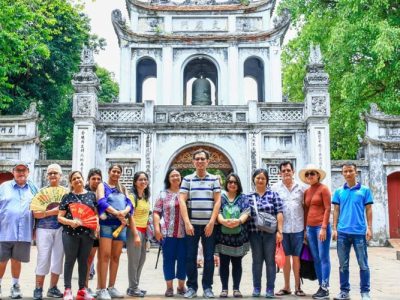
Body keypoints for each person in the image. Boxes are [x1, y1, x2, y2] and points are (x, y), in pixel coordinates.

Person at [179, 149, 221, 299]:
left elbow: (217, 202)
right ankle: (191, 287)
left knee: (209, 257)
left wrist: (211, 222)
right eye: (197, 159)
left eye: (203, 159)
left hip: (209, 226)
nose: (200, 161)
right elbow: (182, 201)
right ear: (193, 162)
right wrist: (187, 223)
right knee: (190, 257)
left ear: (207, 161)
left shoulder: (214, 180)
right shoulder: (187, 179)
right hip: (192, 225)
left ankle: (208, 287)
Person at [96, 165, 140, 300]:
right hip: (106, 225)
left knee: (116, 257)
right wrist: (117, 213)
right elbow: (101, 202)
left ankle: (111, 286)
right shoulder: (102, 186)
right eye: (113, 171)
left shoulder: (123, 188)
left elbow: (130, 204)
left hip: (120, 226)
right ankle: (101, 289)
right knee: (105, 256)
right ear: (109, 172)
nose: (116, 174)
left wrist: (124, 212)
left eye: (118, 172)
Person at [332, 163, 373, 300]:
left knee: (363, 264)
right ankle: (344, 291)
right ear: (342, 173)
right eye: (345, 171)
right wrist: (334, 229)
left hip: (359, 233)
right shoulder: (338, 192)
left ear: (356, 172)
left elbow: (368, 210)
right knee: (343, 265)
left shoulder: (365, 190)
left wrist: (369, 228)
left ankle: (365, 292)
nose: (348, 174)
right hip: (342, 232)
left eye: (350, 171)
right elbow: (336, 210)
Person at [57, 171, 98, 300]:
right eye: (74, 179)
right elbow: (59, 217)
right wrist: (70, 222)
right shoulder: (67, 197)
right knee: (70, 260)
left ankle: (82, 290)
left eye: (79, 178)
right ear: (71, 182)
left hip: (87, 234)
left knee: (84, 261)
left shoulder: (91, 195)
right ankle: (67, 290)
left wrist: (97, 227)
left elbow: (95, 214)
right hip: (70, 233)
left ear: (83, 179)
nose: (77, 180)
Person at [0, 162, 38, 299]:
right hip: (4, 230)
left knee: (17, 260)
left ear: (28, 172)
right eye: (18, 170)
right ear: (13, 172)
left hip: (24, 232)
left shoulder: (33, 189)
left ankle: (15, 286)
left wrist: (36, 229)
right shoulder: (4, 187)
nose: (21, 173)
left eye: (24, 170)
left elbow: (39, 208)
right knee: (1, 260)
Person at [32, 164, 67, 300]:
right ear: (47, 176)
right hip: (43, 229)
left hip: (61, 228)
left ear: (60, 176)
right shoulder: (41, 192)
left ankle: (53, 288)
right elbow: (36, 213)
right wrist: (52, 211)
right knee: (43, 258)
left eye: (55, 173)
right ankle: (38, 288)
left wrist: (47, 212)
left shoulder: (66, 192)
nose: (53, 175)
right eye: (50, 173)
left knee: (58, 258)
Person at [247, 168, 283, 298]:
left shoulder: (273, 195)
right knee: (256, 261)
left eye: (263, 178)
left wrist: (280, 231)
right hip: (254, 233)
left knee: (270, 262)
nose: (260, 180)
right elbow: (245, 214)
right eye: (258, 178)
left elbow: (279, 212)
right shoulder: (248, 196)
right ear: (254, 180)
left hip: (270, 234)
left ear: (267, 180)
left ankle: (270, 289)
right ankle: (256, 287)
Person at [272, 161, 306, 297]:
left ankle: (298, 287)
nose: (286, 173)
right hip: (283, 230)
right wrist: (276, 230)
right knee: (285, 259)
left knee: (297, 259)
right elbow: (273, 209)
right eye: (283, 171)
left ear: (293, 171)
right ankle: (286, 286)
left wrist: (306, 230)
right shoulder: (275, 188)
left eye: (288, 170)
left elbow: (306, 207)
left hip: (298, 228)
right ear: (280, 173)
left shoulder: (302, 188)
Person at [215, 173, 250, 298]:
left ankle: (236, 289)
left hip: (238, 236)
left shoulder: (243, 198)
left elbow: (246, 212)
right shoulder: (221, 197)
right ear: (226, 183)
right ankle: (224, 289)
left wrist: (238, 221)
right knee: (223, 263)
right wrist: (223, 221)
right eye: (230, 182)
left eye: (235, 182)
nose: (232, 184)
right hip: (223, 236)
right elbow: (217, 211)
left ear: (238, 184)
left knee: (237, 263)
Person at [299, 164, 331, 299]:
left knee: (323, 257)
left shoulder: (324, 189)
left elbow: (328, 208)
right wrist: (305, 229)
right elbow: (306, 211)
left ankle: (325, 287)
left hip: (320, 228)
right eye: (307, 174)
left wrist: (323, 227)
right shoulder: (307, 191)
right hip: (310, 229)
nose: (310, 176)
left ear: (318, 175)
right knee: (316, 258)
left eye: (312, 173)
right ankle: (321, 286)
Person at [153, 169, 186, 297]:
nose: (175, 177)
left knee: (183, 260)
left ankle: (181, 286)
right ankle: (169, 287)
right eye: (172, 176)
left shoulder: (185, 193)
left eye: (177, 175)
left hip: (185, 234)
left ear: (180, 178)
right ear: (168, 178)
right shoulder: (162, 194)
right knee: (168, 260)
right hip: (167, 233)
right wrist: (157, 229)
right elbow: (156, 212)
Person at [126, 171, 151, 297]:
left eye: (145, 179)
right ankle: (132, 287)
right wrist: (136, 234)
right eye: (140, 179)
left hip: (144, 232)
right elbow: (130, 216)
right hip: (134, 231)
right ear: (135, 182)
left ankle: (135, 285)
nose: (143, 182)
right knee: (134, 261)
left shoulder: (146, 196)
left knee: (142, 259)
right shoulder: (132, 197)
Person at [84, 168, 103, 297]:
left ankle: (101, 287)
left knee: (101, 258)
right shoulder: (84, 193)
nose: (96, 181)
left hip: (102, 229)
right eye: (93, 179)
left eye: (98, 179)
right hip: (87, 230)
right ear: (88, 179)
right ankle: (84, 286)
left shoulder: (103, 192)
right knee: (88, 259)